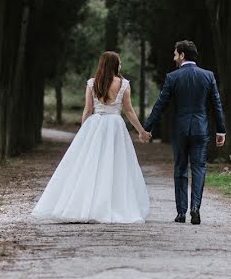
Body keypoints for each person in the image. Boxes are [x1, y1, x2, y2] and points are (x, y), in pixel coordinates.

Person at [32, 51, 151, 223]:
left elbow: (87, 110)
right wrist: (141, 131)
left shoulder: (92, 83)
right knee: (115, 165)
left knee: (90, 164)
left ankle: (84, 205)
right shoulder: (123, 84)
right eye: (119, 62)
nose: (121, 65)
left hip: (95, 125)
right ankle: (110, 205)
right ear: (114, 64)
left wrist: (83, 131)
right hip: (115, 126)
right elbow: (129, 111)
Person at [143, 40, 226, 225]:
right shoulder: (208, 76)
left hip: (180, 130)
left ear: (182, 55)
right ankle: (195, 207)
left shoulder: (173, 77)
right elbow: (216, 105)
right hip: (200, 129)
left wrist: (147, 127)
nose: (174, 58)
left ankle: (181, 212)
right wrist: (221, 130)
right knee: (199, 168)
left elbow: (160, 104)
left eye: (175, 54)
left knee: (180, 168)